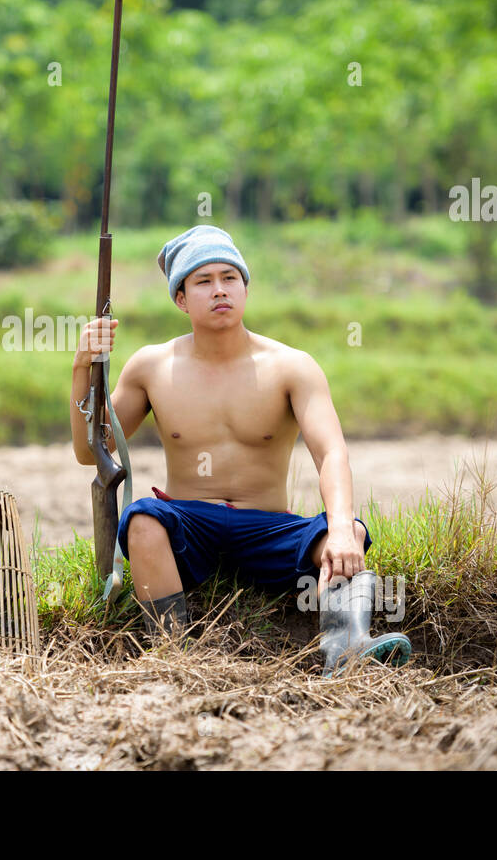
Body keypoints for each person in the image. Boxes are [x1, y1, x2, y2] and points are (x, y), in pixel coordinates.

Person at [69, 223, 410, 673]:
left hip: (270, 531)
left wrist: (343, 525)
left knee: (346, 531)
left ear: (245, 288)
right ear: (180, 298)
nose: (219, 291)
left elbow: (331, 453)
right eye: (203, 281)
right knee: (143, 521)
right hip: (191, 531)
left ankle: (345, 650)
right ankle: (172, 658)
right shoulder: (152, 366)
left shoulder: (291, 366)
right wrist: (81, 366)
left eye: (229, 278)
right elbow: (89, 450)